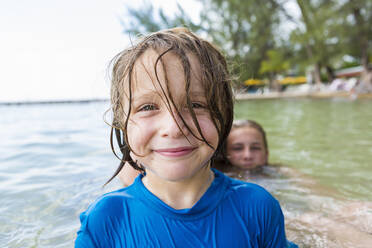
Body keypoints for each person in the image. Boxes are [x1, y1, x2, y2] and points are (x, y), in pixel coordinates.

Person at [75, 27, 296, 247]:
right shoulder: (105, 221)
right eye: (148, 107)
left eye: (195, 105)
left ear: (224, 116)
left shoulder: (258, 207)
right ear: (122, 125)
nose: (174, 128)